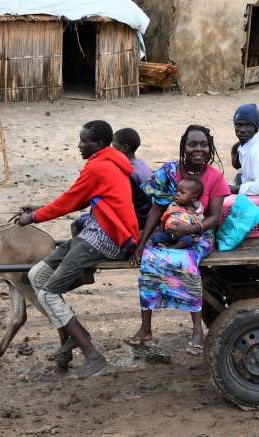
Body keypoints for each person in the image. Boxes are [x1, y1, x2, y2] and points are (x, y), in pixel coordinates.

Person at [16, 120, 139, 379]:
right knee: (36, 275)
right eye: (81, 140)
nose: (80, 145)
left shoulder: (97, 167)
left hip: (107, 237)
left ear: (100, 144)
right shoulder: (108, 161)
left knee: (48, 294)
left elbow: (68, 201)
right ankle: (76, 334)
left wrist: (33, 218)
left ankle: (91, 352)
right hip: (98, 230)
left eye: (86, 141)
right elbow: (76, 198)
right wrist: (38, 209)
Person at [129, 125, 231, 355]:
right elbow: (156, 210)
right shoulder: (169, 172)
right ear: (183, 147)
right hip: (169, 230)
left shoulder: (215, 177)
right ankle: (146, 328)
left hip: (198, 235)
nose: (198, 149)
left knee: (186, 263)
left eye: (203, 144)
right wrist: (142, 243)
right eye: (192, 144)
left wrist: (191, 228)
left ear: (210, 147)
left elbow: (214, 217)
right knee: (148, 260)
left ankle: (197, 330)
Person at [71, 127, 152, 236]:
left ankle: (79, 249)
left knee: (77, 224)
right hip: (144, 214)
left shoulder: (127, 172)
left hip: (137, 220)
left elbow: (121, 205)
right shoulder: (141, 164)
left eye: (114, 147)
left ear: (124, 147)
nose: (110, 150)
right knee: (85, 217)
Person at [149, 176, 204, 249]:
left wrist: (195, 236)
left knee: (187, 240)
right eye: (177, 191)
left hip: (183, 235)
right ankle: (166, 244)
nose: (177, 194)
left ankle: (171, 247)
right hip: (168, 233)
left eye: (182, 192)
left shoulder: (196, 211)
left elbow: (199, 224)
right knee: (155, 237)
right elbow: (164, 218)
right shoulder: (173, 205)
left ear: (193, 197)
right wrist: (160, 231)